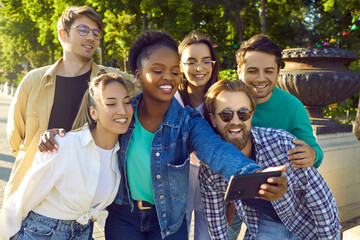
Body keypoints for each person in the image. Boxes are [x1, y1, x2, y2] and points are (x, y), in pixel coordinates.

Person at [4, 5, 141, 203]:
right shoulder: (33, 81)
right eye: (83, 30)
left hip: (82, 198)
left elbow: (148, 86)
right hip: (34, 194)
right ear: (63, 34)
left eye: (96, 33)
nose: (92, 38)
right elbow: (16, 139)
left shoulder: (110, 80)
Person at [200, 79, 340, 240]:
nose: (236, 121)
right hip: (266, 223)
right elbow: (216, 223)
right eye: (226, 114)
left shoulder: (281, 143)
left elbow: (320, 198)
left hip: (307, 222)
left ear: (252, 114)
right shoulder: (209, 170)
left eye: (243, 113)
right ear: (212, 119)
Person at [0, 73, 133, 239]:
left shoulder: (121, 153)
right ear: (93, 113)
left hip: (83, 232)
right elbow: (21, 200)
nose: (122, 110)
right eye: (111, 104)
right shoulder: (63, 146)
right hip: (42, 233)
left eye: (127, 102)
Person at [228, 34, 325, 239]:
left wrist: (311, 155)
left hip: (273, 202)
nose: (261, 78)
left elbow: (315, 153)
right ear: (239, 71)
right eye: (252, 71)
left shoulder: (293, 107)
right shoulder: (226, 102)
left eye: (269, 71)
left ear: (278, 72)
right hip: (232, 192)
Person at [176, 30, 219, 240]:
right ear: (181, 66)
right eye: (191, 62)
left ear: (213, 64)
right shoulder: (171, 98)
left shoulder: (222, 97)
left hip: (212, 177)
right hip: (179, 174)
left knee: (208, 234)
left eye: (205, 61)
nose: (199, 68)